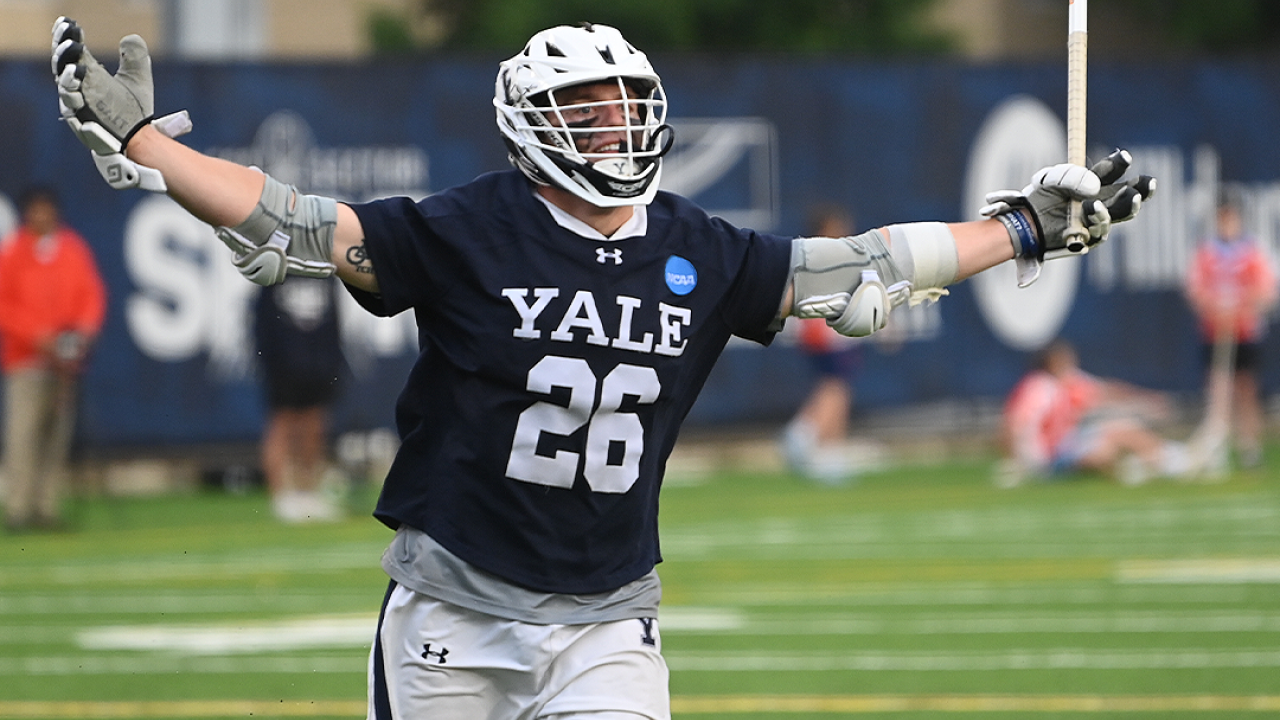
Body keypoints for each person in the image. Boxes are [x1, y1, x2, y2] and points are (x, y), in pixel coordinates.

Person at [51, 17, 1155, 719]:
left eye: (625, 102)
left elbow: (856, 273)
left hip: (605, 625)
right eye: (586, 107)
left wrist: (1017, 229)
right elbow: (293, 225)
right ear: (530, 125)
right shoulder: (465, 228)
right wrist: (147, 146)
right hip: (451, 619)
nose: (614, 122)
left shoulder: (694, 244)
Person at [0, 186, 106, 532]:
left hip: (64, 362)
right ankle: (19, 507)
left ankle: (46, 506)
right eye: (35, 210)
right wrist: (37, 336)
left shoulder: (71, 249)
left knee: (56, 436)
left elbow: (91, 295)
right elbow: (5, 307)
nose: (41, 216)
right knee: (23, 434)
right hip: (26, 359)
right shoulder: (14, 252)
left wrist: (81, 334)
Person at [997, 339, 1191, 487]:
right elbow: (1014, 425)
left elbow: (1104, 391)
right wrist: (1020, 463)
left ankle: (1166, 459)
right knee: (1110, 442)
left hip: (1063, 447)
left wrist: (1147, 401)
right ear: (1052, 362)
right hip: (1049, 458)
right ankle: (1168, 461)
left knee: (1117, 432)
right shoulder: (1039, 388)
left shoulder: (1065, 383)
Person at [1184, 194, 1278, 469]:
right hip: (1216, 332)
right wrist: (1214, 309)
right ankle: (1217, 445)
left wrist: (1243, 307)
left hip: (1245, 331)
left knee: (1246, 391)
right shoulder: (1207, 253)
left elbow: (1266, 290)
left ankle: (1249, 446)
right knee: (1219, 390)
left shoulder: (1252, 251)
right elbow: (1195, 289)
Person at [781, 204, 867, 483]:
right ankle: (807, 437)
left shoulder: (828, 255)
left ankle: (815, 442)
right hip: (827, 333)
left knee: (833, 387)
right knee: (836, 388)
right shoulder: (822, 256)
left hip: (828, 332)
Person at [253, 276, 346, 523]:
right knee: (282, 423)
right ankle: (281, 496)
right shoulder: (274, 270)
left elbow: (333, 319)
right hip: (284, 362)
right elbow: (262, 320)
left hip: (318, 363)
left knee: (314, 424)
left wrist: (332, 360)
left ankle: (308, 493)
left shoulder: (325, 271)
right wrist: (269, 359)